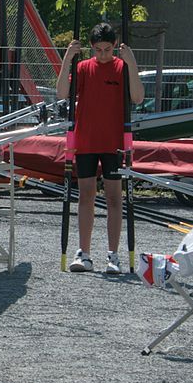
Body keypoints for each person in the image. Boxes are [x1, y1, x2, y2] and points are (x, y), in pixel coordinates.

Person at [55, 23, 144, 274]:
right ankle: (84, 252)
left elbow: (137, 97)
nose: (103, 54)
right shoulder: (83, 67)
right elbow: (62, 94)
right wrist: (68, 59)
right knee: (86, 196)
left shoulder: (122, 67)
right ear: (91, 47)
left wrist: (132, 62)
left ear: (115, 46)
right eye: (98, 50)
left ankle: (113, 255)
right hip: (86, 142)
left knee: (115, 198)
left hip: (115, 143)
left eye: (107, 49)